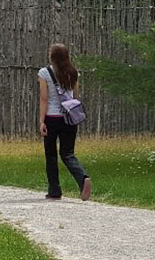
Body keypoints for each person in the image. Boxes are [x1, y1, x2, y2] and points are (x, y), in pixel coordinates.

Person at [38, 43, 92, 201]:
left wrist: (42, 121)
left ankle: (54, 190)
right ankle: (82, 179)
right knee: (68, 153)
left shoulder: (44, 72)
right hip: (69, 118)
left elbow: (44, 99)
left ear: (52, 56)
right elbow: (75, 96)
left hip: (52, 118)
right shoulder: (73, 72)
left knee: (51, 155)